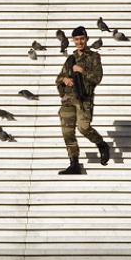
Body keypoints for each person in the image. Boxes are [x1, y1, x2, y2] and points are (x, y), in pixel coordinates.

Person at [55, 26, 111, 175]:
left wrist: (82, 72)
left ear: (87, 39)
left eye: (82, 39)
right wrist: (65, 79)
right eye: (76, 39)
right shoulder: (70, 59)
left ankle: (102, 145)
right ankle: (74, 163)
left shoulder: (93, 57)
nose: (79, 42)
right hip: (68, 100)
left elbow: (97, 78)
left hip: (83, 99)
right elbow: (58, 79)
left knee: (84, 127)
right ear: (73, 41)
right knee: (67, 132)